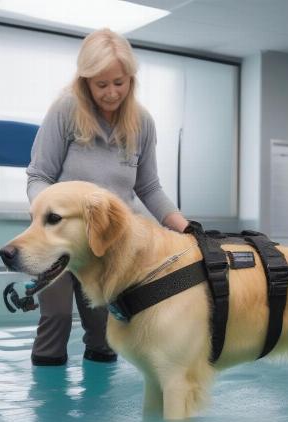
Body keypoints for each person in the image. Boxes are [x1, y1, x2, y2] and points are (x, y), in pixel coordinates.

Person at [26, 28, 189, 366]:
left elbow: (148, 188)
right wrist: (48, 217)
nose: (112, 93)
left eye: (120, 82)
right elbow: (39, 176)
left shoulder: (142, 122)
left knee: (105, 333)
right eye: (101, 84)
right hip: (59, 239)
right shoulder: (65, 111)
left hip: (108, 243)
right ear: (85, 81)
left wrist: (184, 226)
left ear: (131, 79)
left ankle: (97, 413)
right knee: (55, 318)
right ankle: (50, 411)